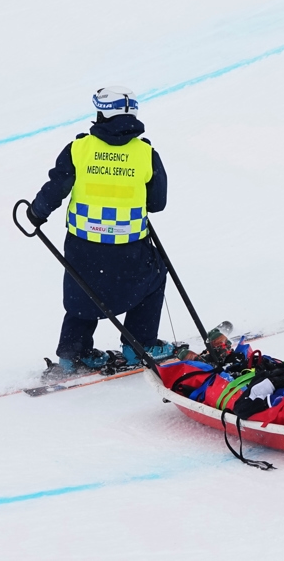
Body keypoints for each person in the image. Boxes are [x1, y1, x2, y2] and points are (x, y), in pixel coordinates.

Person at [24, 86, 178, 375]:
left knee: (82, 290)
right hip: (129, 248)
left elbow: (56, 187)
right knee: (155, 276)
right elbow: (157, 203)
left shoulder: (79, 149)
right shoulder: (146, 154)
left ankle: (73, 353)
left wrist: (36, 213)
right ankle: (138, 345)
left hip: (83, 246)